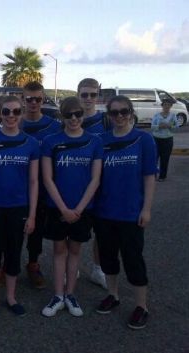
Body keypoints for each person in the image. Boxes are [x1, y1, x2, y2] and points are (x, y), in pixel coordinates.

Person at [94, 95, 157, 329]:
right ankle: (113, 295)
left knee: (133, 259)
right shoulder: (101, 141)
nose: (119, 116)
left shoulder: (144, 140)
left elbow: (149, 177)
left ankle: (142, 306)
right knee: (108, 257)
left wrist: (147, 209)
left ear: (131, 112)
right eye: (114, 113)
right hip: (104, 211)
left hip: (131, 212)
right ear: (108, 116)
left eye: (124, 111)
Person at [0, 95, 39, 321]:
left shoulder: (30, 143)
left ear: (21, 114)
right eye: (6, 112)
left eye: (15, 112)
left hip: (19, 208)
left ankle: (11, 298)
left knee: (13, 253)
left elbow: (34, 181)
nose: (11, 116)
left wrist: (32, 215)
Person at [41, 96, 103, 318]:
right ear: (62, 117)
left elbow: (95, 179)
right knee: (59, 251)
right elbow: (47, 178)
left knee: (75, 250)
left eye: (78, 114)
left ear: (83, 115)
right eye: (69, 115)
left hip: (83, 208)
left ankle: (70, 294)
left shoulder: (94, 142)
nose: (74, 118)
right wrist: (64, 209)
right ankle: (58, 295)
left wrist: (78, 209)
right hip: (58, 206)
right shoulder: (51, 141)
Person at [21, 81, 61, 289]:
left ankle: (33, 263)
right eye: (29, 99)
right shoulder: (14, 122)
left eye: (38, 99)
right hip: (17, 187)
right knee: (12, 229)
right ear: (23, 100)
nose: (34, 103)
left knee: (35, 230)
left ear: (43, 99)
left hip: (43, 188)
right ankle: (7, 264)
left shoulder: (54, 126)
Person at [77, 77, 109, 289]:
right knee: (76, 230)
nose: (88, 99)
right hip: (77, 183)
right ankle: (74, 267)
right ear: (78, 94)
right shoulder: (71, 118)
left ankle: (98, 269)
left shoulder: (106, 120)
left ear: (98, 96)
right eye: (84, 94)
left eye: (93, 94)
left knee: (102, 230)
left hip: (103, 183)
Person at [151, 98, 178, 182]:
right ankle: (153, 175)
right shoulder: (156, 115)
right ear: (162, 105)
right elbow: (152, 127)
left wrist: (170, 126)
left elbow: (176, 128)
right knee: (154, 158)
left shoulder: (173, 116)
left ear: (171, 106)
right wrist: (159, 126)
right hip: (156, 139)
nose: (167, 106)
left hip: (168, 140)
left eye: (168, 105)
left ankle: (162, 176)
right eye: (165, 104)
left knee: (165, 159)